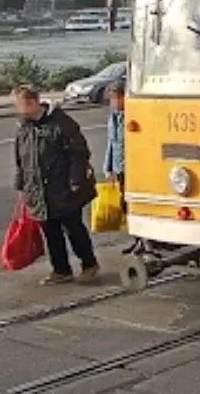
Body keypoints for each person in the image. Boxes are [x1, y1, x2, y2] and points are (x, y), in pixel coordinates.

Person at [12, 85, 100, 285]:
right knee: (51, 232)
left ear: (33, 103)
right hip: (37, 190)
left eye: (20, 106)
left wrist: (75, 181)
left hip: (64, 188)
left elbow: (79, 153)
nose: (18, 111)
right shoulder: (24, 126)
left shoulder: (61, 123)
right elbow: (20, 157)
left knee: (73, 228)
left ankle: (89, 264)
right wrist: (21, 184)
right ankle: (61, 270)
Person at [104, 82, 141, 255]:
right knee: (125, 205)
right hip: (120, 168)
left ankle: (143, 240)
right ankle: (137, 239)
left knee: (135, 205)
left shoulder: (134, 116)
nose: (114, 103)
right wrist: (109, 168)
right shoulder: (113, 117)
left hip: (135, 168)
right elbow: (112, 143)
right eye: (112, 99)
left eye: (116, 98)